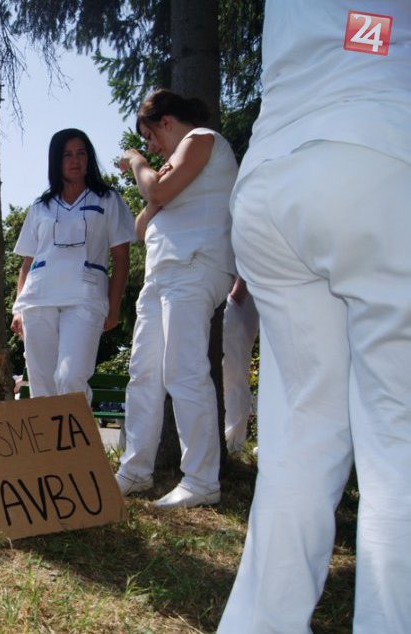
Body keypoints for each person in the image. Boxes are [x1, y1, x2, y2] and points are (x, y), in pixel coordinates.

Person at [218, 3, 410, 631]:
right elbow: (373, 35)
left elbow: (357, 32)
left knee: (299, 443)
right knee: (399, 440)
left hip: (270, 179)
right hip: (379, 150)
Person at [115, 89, 238, 509]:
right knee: (143, 373)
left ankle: (201, 480)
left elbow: (159, 193)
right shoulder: (177, 164)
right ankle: (135, 470)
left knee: (183, 371)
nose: (151, 148)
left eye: (150, 137)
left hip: (194, 265)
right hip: (162, 274)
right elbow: (140, 226)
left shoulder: (201, 139)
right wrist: (155, 186)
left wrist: (138, 163)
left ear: (166, 122)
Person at [10, 128, 134, 403]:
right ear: (56, 161)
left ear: (89, 158)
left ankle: (79, 431)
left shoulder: (107, 199)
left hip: (85, 299)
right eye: (67, 155)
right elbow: (27, 262)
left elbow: (121, 257)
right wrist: (18, 308)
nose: (75, 160)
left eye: (81, 153)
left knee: (70, 378)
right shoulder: (40, 206)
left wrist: (114, 307)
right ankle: (50, 434)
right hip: (38, 300)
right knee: (42, 386)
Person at [222, 277, 257, 454]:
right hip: (227, 294)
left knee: (232, 373)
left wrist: (236, 294)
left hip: (239, 294)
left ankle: (234, 443)